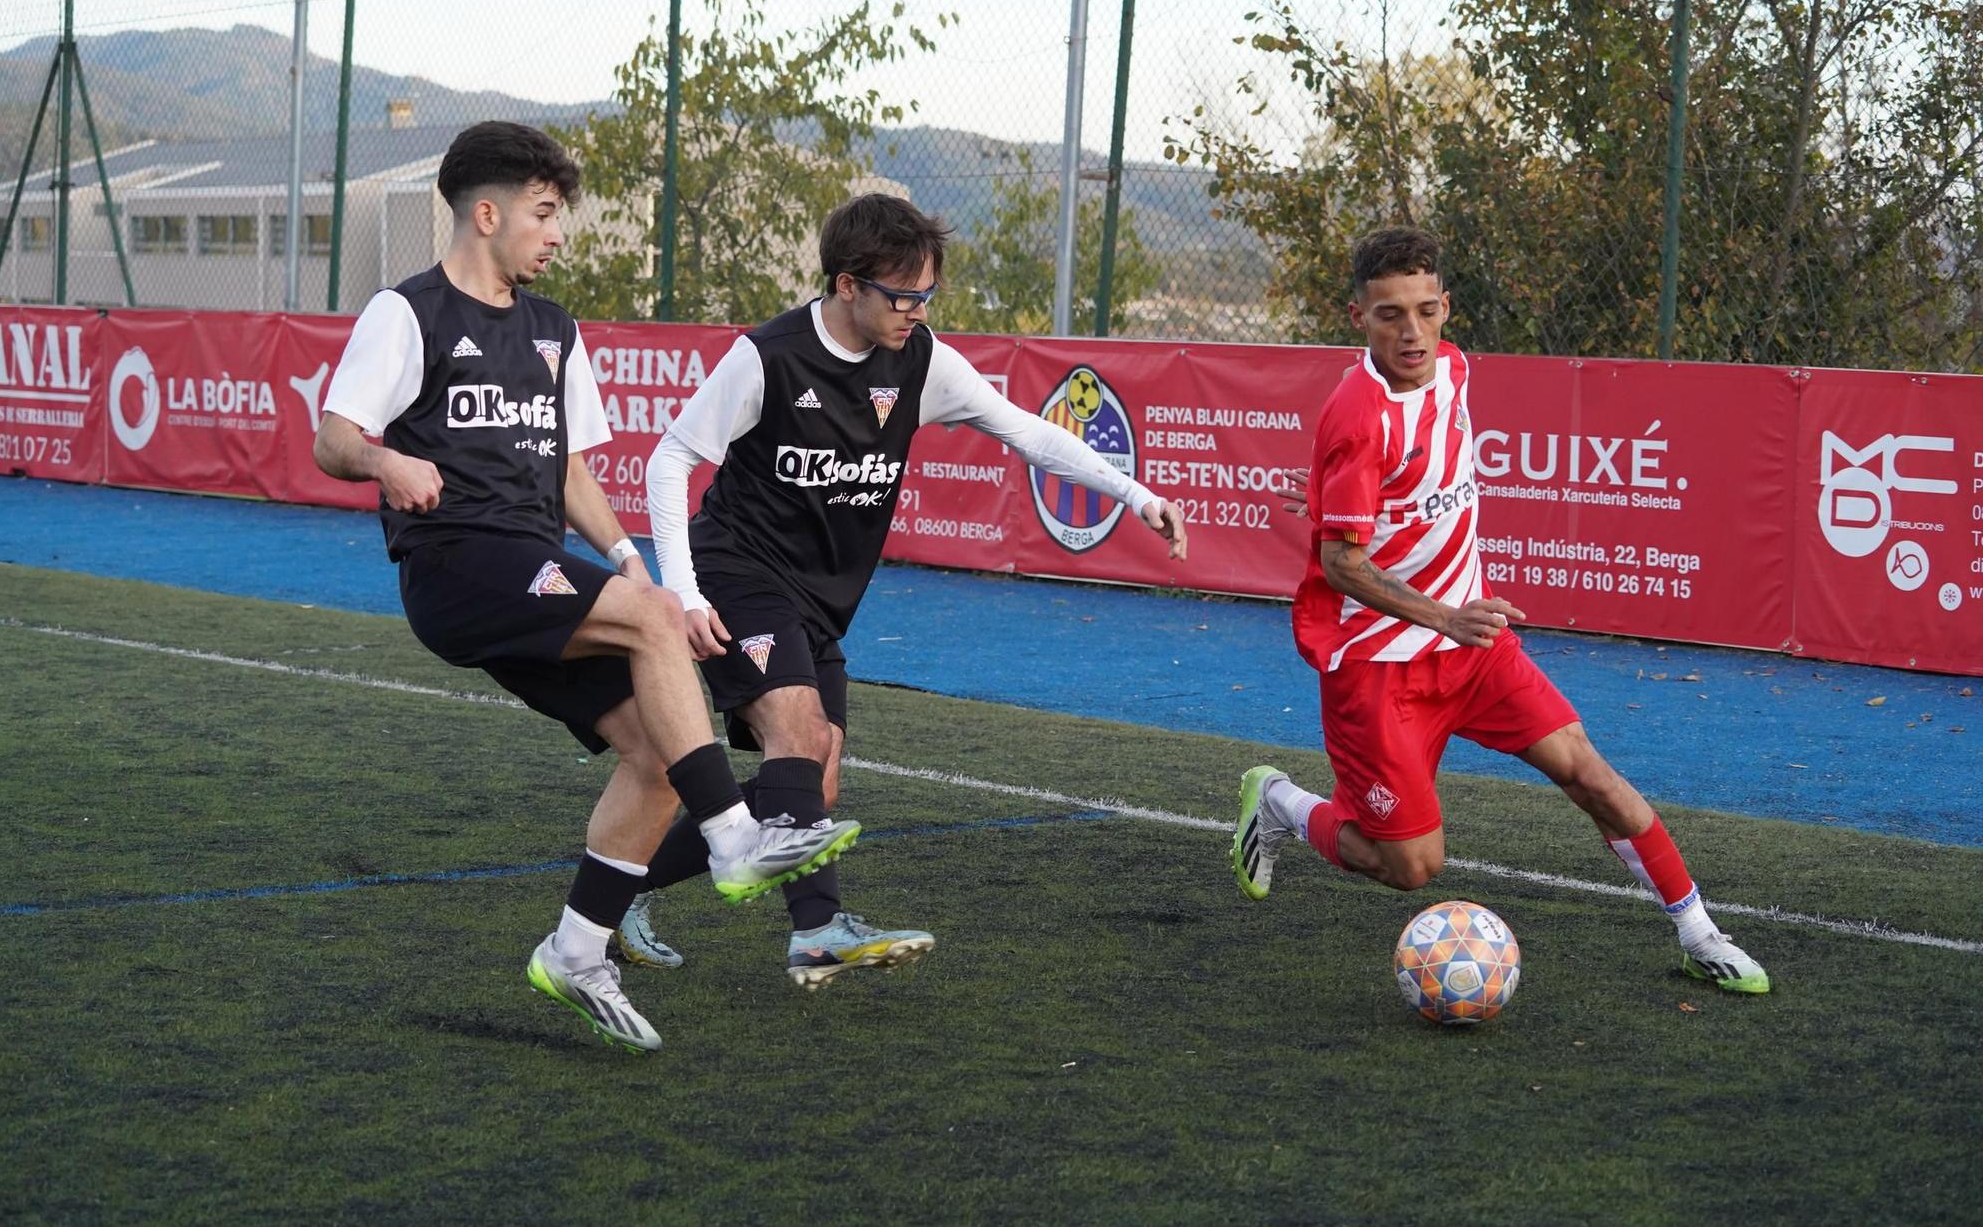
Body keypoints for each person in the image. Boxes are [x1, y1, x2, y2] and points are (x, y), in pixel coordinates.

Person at [312, 121, 861, 1052]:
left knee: (652, 747)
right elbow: (332, 437)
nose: (558, 230)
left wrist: (631, 553)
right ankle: (733, 836)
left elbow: (570, 474)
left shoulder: (555, 331)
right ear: (486, 214)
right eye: (544, 211)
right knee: (657, 633)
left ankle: (576, 947)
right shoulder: (406, 314)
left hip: (534, 570)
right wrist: (385, 460)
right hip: (456, 564)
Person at [616, 192, 1189, 989]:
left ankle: (621, 888)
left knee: (813, 774)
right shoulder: (770, 356)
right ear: (847, 285)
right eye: (903, 295)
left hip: (821, 597)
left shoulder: (922, 360)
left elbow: (1028, 430)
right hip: (736, 571)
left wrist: (1133, 495)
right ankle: (816, 932)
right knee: (797, 729)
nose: (917, 311)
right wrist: (681, 590)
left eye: (928, 296)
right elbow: (671, 458)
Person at [1232, 225, 1769, 994]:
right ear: (1359, 319)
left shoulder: (1453, 368)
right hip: (1382, 668)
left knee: (1590, 774)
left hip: (1474, 650)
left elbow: (1398, 491)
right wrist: (1442, 613)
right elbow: (1339, 563)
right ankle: (1280, 800)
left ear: (1446, 306)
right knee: (1410, 866)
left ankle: (1699, 932)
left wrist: (1346, 513)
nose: (1411, 332)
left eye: (1425, 309)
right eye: (1389, 315)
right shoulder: (1358, 413)